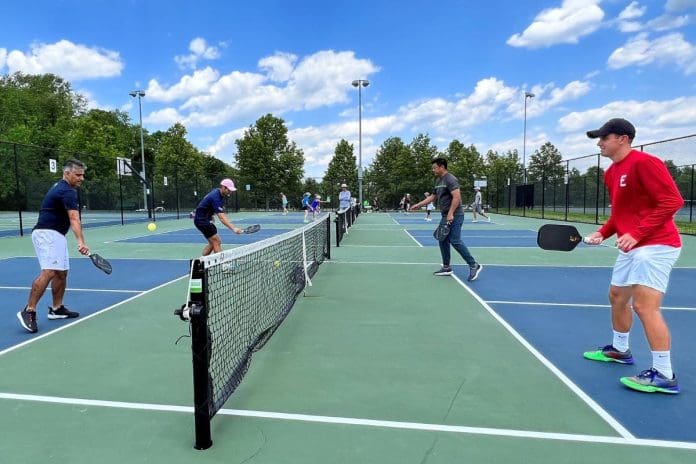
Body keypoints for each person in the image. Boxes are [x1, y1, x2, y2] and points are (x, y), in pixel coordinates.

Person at [583, 118, 683, 394]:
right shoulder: (612, 173)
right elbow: (620, 214)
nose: (599, 143)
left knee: (645, 307)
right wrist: (603, 233)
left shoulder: (645, 163)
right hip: (633, 247)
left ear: (623, 138)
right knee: (617, 296)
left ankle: (664, 374)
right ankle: (620, 350)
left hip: (657, 245)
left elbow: (672, 201)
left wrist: (637, 233)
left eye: (604, 137)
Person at [17, 159, 91, 334]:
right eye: (78, 175)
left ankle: (56, 309)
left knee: (61, 273)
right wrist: (81, 242)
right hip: (46, 234)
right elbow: (74, 218)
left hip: (56, 235)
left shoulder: (64, 188)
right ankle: (29, 310)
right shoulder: (67, 191)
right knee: (49, 271)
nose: (81, 178)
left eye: (83, 175)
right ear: (67, 173)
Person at [410, 158, 483, 281]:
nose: (433, 170)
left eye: (434, 167)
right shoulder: (438, 181)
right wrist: (419, 205)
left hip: (456, 215)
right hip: (446, 215)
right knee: (442, 239)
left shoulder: (450, 179)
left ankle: (473, 264)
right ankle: (446, 267)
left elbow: (456, 197)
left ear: (442, 167)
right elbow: (433, 196)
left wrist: (450, 214)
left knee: (455, 240)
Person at [193, 179, 242, 256]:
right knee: (216, 241)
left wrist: (210, 216)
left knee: (213, 243)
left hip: (204, 219)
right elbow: (222, 218)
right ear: (223, 187)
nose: (230, 192)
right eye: (229, 190)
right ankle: (222, 265)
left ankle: (201, 264)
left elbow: (206, 204)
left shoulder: (218, 193)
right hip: (202, 220)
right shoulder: (215, 197)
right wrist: (234, 228)